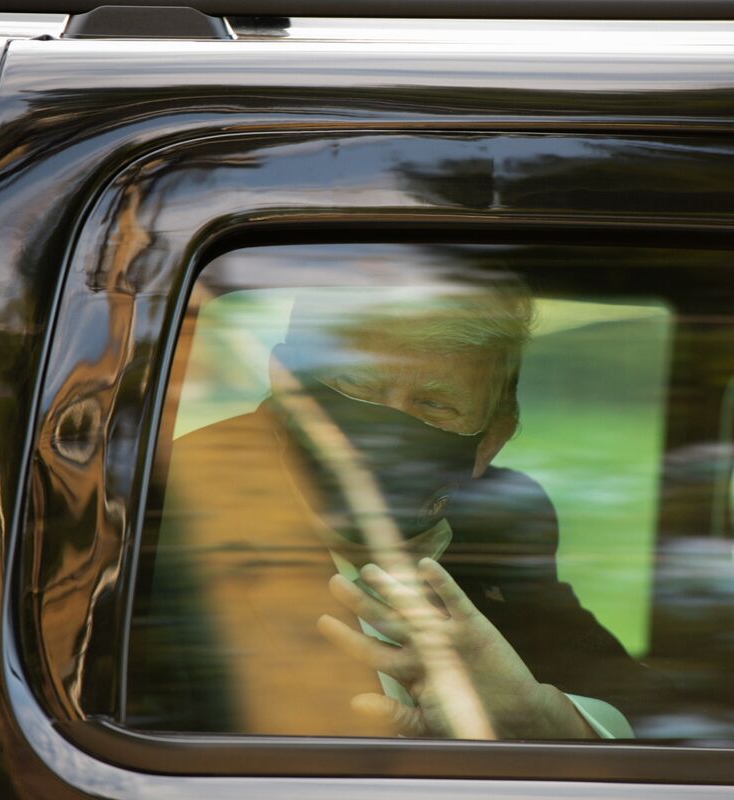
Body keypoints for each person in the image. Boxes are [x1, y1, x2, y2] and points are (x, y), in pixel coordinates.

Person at [127, 275, 651, 739]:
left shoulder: (504, 519)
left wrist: (540, 719)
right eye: (356, 386)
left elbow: (663, 718)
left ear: (491, 440)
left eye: (433, 405)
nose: (383, 435)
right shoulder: (165, 507)